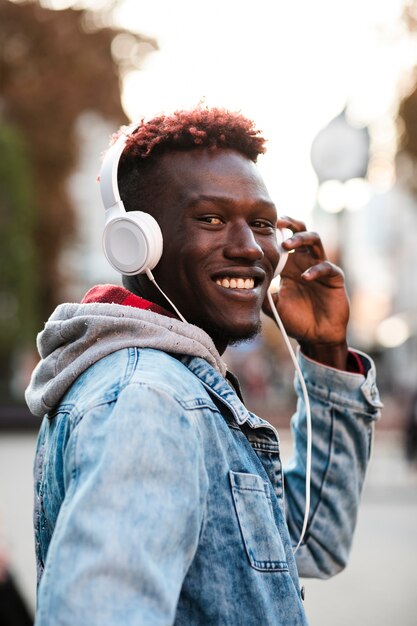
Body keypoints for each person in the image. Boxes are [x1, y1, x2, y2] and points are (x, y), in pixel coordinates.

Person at [25, 105, 382, 626]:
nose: (248, 249)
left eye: (261, 224)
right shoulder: (148, 400)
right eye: (211, 219)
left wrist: (326, 352)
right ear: (136, 242)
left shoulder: (176, 385)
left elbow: (311, 543)